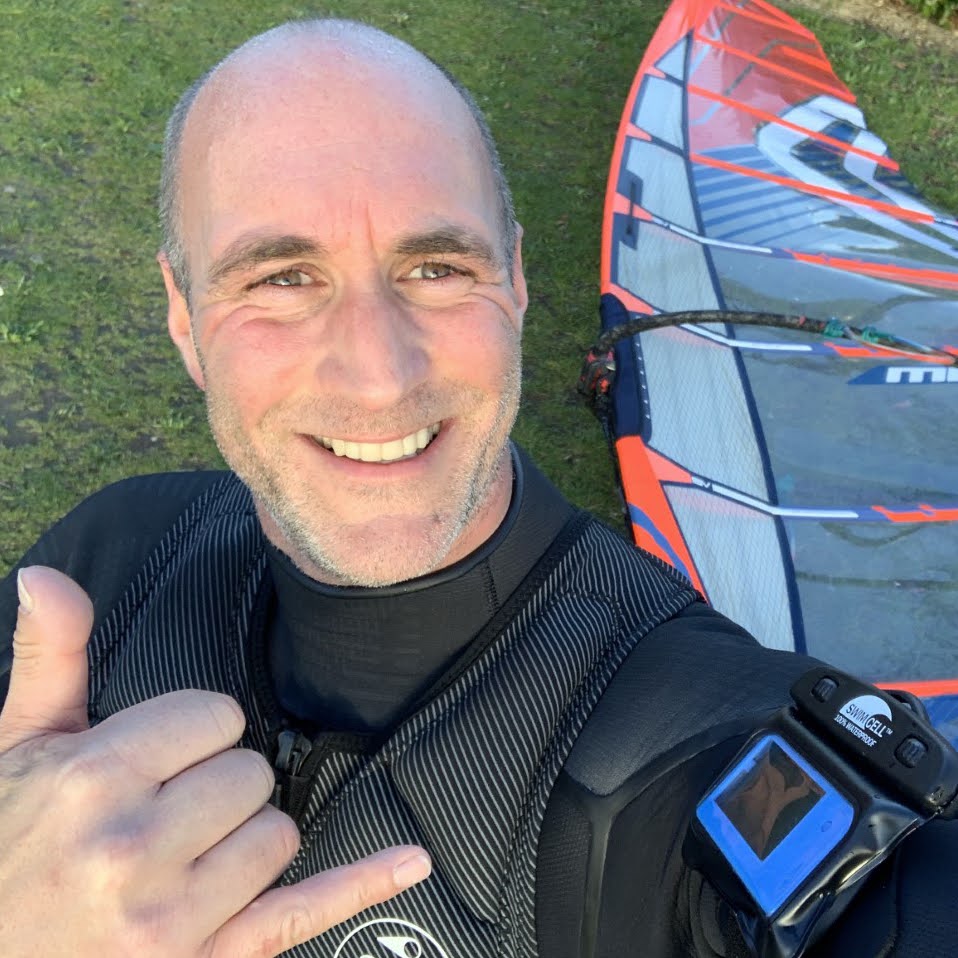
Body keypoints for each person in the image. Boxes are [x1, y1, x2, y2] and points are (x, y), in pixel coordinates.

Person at [0, 18, 955, 958]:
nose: (379, 375)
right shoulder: (103, 568)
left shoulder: (692, 742)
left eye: (436, 267)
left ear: (518, 281)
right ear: (182, 315)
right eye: (284, 278)